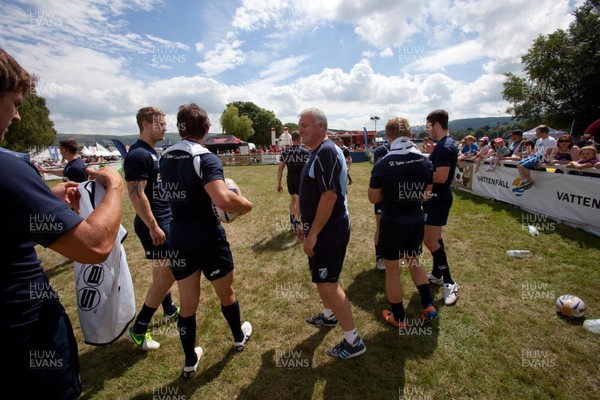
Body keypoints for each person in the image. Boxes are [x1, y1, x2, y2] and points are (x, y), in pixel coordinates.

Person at [0, 48, 124, 399]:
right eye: (15, 102)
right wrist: (114, 186)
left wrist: (40, 203)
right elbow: (95, 245)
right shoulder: (7, 168)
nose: (18, 116)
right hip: (24, 341)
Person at [159, 103, 253, 379]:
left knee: (187, 304)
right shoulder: (206, 158)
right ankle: (238, 337)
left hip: (178, 236)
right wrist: (245, 204)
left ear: (180, 128)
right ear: (208, 129)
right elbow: (223, 200)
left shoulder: (165, 157)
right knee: (226, 292)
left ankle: (190, 361)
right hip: (207, 236)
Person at [297, 107, 366, 359]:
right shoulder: (317, 152)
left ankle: (353, 341)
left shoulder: (325, 151)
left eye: (305, 125)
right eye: (299, 125)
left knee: (328, 283)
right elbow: (314, 193)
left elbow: (329, 196)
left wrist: (313, 234)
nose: (300, 129)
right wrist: (303, 225)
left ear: (320, 127)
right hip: (319, 229)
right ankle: (329, 316)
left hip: (329, 231)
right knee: (320, 278)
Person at [368, 117, 438, 329]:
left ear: (388, 137)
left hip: (393, 222)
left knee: (393, 272)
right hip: (416, 220)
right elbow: (428, 194)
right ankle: (428, 306)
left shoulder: (384, 163)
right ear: (409, 135)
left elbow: (373, 198)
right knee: (415, 262)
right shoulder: (426, 161)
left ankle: (399, 317)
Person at [123, 106, 179, 351]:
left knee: (161, 273)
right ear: (146, 125)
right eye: (161, 123)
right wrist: (154, 226)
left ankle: (168, 310)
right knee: (168, 274)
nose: (166, 127)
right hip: (154, 224)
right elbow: (136, 195)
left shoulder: (150, 152)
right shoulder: (138, 155)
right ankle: (138, 329)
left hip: (161, 220)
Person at [423, 109, 460, 306]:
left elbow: (440, 176)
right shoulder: (443, 145)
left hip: (438, 197)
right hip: (436, 197)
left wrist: (420, 175)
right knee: (434, 238)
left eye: (428, 126)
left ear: (437, 125)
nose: (428, 130)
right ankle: (438, 273)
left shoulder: (445, 146)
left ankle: (449, 281)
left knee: (429, 240)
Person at [277, 131, 310, 231]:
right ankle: (299, 225)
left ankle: (293, 223)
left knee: (293, 201)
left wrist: (279, 184)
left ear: (291, 140)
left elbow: (280, 169)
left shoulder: (286, 152)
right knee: (299, 202)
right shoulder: (305, 152)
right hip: (301, 180)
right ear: (300, 139)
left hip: (290, 179)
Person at [516, 125, 557, 189]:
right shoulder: (538, 140)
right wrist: (529, 157)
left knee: (524, 166)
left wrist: (542, 161)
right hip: (536, 156)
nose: (536, 134)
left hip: (542, 157)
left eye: (537, 133)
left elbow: (548, 153)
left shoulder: (551, 140)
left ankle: (529, 181)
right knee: (518, 164)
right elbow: (535, 151)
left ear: (543, 133)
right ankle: (524, 180)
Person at [372, 140, 390, 271]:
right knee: (381, 226)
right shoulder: (381, 150)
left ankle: (393, 256)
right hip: (382, 195)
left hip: (398, 197)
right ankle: (379, 257)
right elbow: (376, 172)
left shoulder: (407, 149)